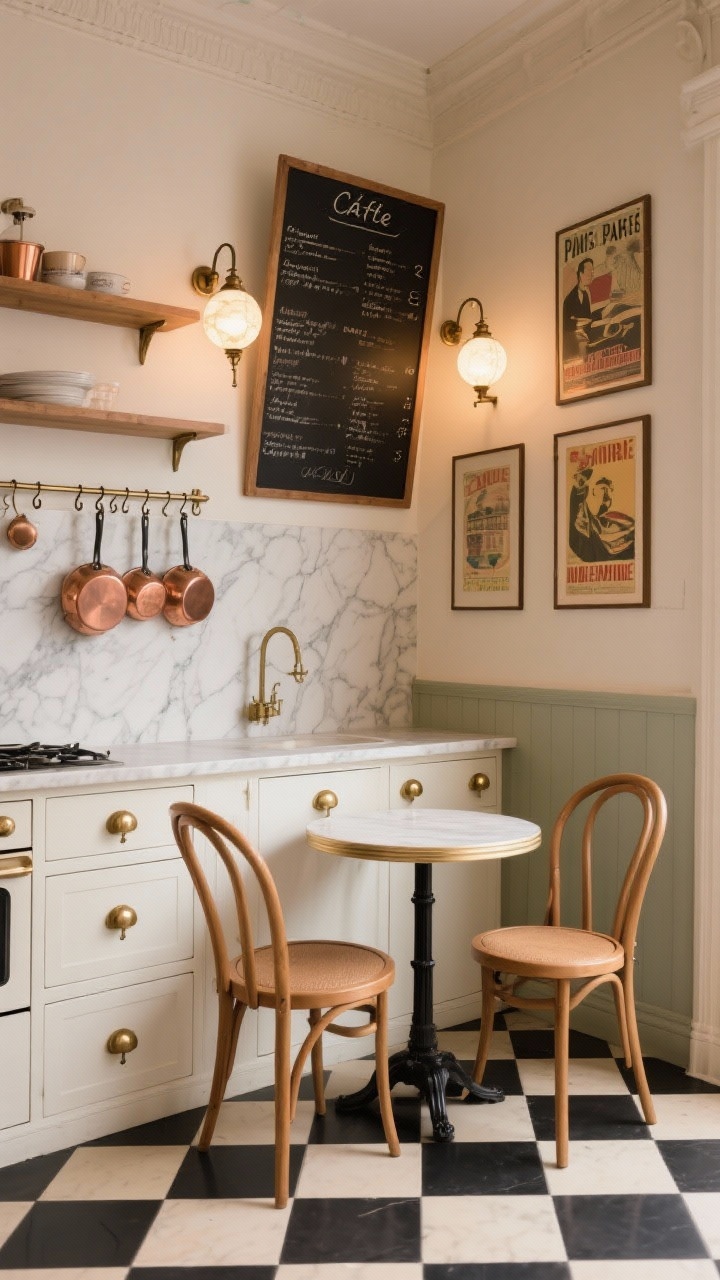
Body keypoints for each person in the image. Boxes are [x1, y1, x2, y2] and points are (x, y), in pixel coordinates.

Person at [568, 466, 635, 562]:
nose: (604, 495)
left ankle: (580, 486)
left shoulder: (612, 522)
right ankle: (580, 486)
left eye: (606, 492)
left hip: (600, 548)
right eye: (603, 490)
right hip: (593, 544)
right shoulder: (592, 521)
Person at [562, 257, 594, 360]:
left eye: (592, 272)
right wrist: (581, 322)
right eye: (589, 272)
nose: (591, 275)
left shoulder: (586, 293)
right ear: (580, 274)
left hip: (584, 331)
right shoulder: (570, 298)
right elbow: (568, 323)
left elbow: (588, 316)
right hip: (572, 335)